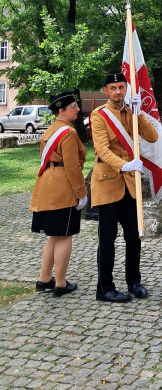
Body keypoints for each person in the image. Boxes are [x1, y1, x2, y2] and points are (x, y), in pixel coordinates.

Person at [90, 72, 158, 303]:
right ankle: (104, 288)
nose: (118, 92)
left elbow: (153, 136)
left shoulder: (131, 112)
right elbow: (102, 149)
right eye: (113, 88)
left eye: (121, 87)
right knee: (107, 238)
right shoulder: (99, 116)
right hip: (108, 182)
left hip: (130, 185)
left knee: (133, 236)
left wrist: (140, 113)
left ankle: (134, 281)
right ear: (106, 91)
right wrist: (124, 164)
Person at [30, 91, 87, 297]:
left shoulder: (51, 130)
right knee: (64, 235)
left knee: (54, 236)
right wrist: (81, 192)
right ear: (62, 110)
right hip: (63, 186)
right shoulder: (69, 133)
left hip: (47, 184)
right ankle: (61, 283)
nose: (78, 109)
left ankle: (44, 279)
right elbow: (72, 167)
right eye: (74, 107)